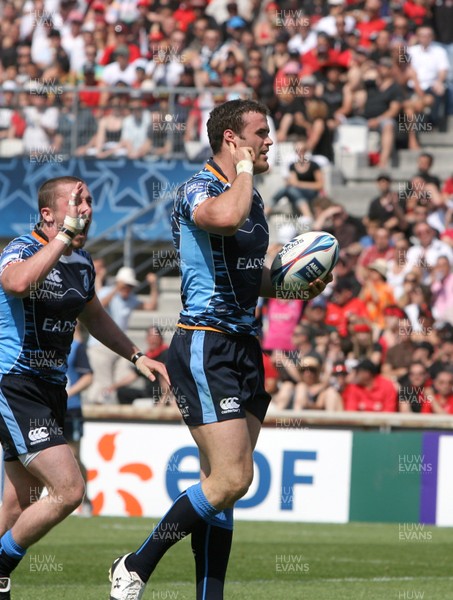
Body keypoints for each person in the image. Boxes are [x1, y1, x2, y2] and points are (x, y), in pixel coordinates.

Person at [108, 99, 331, 600]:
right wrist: (247, 171)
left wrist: (297, 285)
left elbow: (253, 277)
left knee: (222, 487)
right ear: (233, 139)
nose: (270, 140)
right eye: (261, 133)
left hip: (243, 346)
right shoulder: (200, 189)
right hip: (206, 344)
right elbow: (225, 219)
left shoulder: (249, 198)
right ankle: (136, 564)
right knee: (233, 478)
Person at [0, 176, 169, 599]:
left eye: (90, 201)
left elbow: (94, 318)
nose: (87, 208)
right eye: (78, 201)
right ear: (48, 214)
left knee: (18, 504)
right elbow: (17, 284)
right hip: (16, 383)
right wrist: (61, 241)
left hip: (52, 388)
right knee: (70, 489)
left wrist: (136, 355)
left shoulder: (82, 262)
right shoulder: (21, 248)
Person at [85, 268, 159, 404]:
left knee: (121, 381)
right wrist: (115, 289)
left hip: (118, 345)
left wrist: (154, 285)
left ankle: (109, 413)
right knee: (103, 382)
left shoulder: (131, 299)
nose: (128, 289)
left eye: (130, 286)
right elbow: (98, 306)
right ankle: (95, 412)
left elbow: (152, 306)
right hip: (100, 345)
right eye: (126, 285)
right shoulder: (107, 291)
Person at [65, 321, 93, 516]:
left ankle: (86, 498)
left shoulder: (78, 347)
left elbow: (88, 377)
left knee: (74, 456)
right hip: (50, 409)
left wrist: (68, 392)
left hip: (71, 408)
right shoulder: (53, 344)